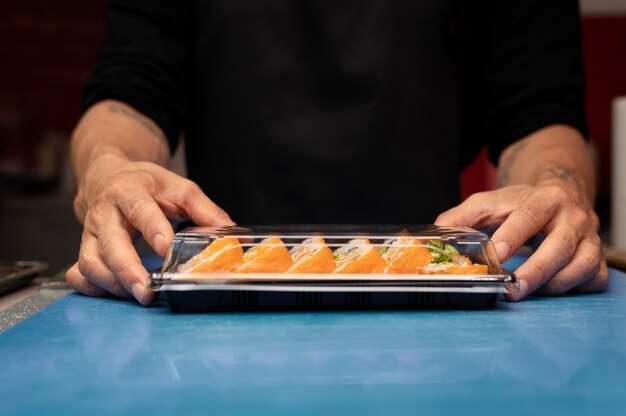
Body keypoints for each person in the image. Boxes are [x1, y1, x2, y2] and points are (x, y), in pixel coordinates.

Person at [66, 0, 608, 305]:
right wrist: (109, 167)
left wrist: (557, 189)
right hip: (222, 298)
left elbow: (539, 112)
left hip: (434, 301)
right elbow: (130, 89)